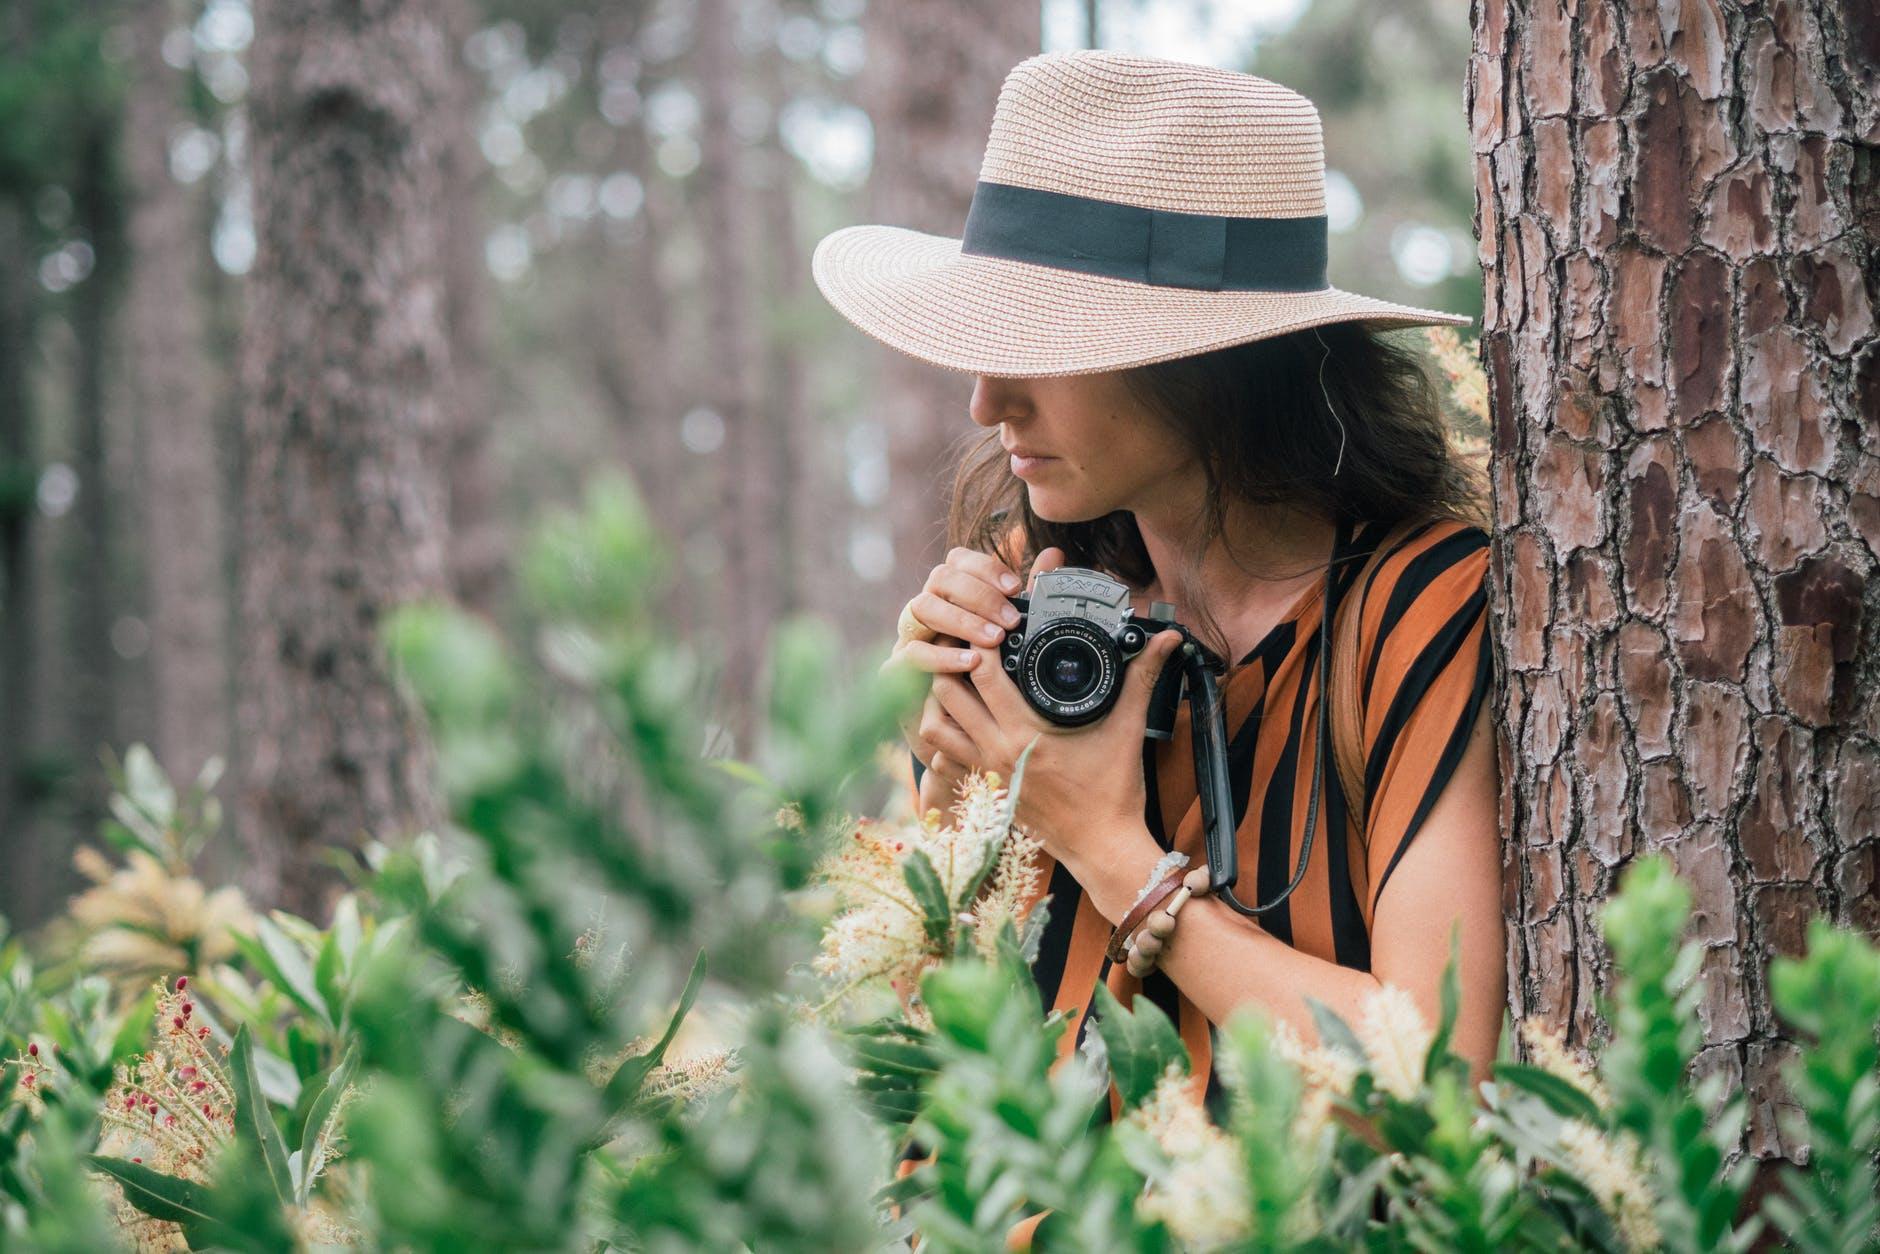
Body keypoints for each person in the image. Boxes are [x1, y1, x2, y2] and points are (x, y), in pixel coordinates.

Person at [812, 48, 1502, 1246]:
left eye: (1039, 338)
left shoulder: (1416, 611)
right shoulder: (1053, 609)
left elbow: (1433, 1091)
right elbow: (933, 1057)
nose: (986, 402)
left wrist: (1106, 847)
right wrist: (951, 795)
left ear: (1204, 360)